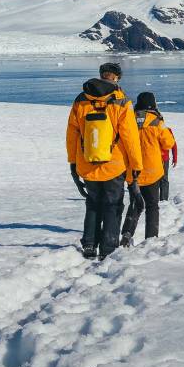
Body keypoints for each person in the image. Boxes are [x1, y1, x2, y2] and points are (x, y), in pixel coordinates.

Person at [67, 62, 143, 261]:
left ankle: (90, 244)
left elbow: (72, 135)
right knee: (113, 205)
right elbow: (130, 137)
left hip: (87, 161)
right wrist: (136, 165)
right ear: (116, 78)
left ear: (101, 75)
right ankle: (108, 248)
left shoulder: (81, 99)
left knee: (93, 203)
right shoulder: (121, 101)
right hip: (114, 165)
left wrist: (73, 162)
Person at [120, 92, 175, 247]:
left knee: (135, 204)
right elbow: (168, 143)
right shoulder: (156, 121)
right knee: (152, 206)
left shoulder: (128, 119)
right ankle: (151, 239)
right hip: (152, 171)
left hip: (133, 172)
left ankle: (126, 234)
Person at [160, 126, 177, 201]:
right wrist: (175, 158)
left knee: (155, 180)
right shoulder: (167, 130)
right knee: (164, 179)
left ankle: (161, 199)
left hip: (156, 159)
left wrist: (175, 158)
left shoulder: (150, 128)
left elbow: (173, 145)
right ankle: (163, 199)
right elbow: (174, 145)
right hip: (163, 159)